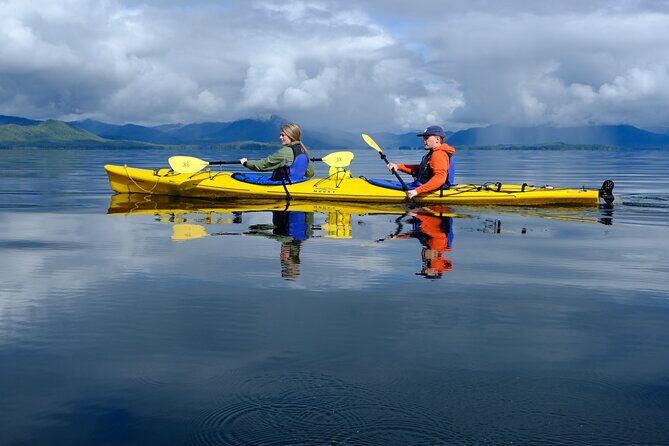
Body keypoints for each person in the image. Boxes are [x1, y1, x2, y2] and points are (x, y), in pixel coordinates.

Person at [386, 125, 455, 199]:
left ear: (437, 139)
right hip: (423, 186)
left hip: (432, 189)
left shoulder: (438, 154)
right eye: (423, 138)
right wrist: (398, 166)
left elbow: (440, 178)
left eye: (426, 138)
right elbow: (421, 169)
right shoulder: (434, 152)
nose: (424, 141)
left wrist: (416, 191)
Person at [239, 123, 315, 180]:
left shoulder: (284, 152)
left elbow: (263, 165)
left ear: (290, 136)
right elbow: (310, 173)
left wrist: (246, 163)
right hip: (296, 183)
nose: (280, 137)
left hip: (283, 185)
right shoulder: (303, 151)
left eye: (283, 135)